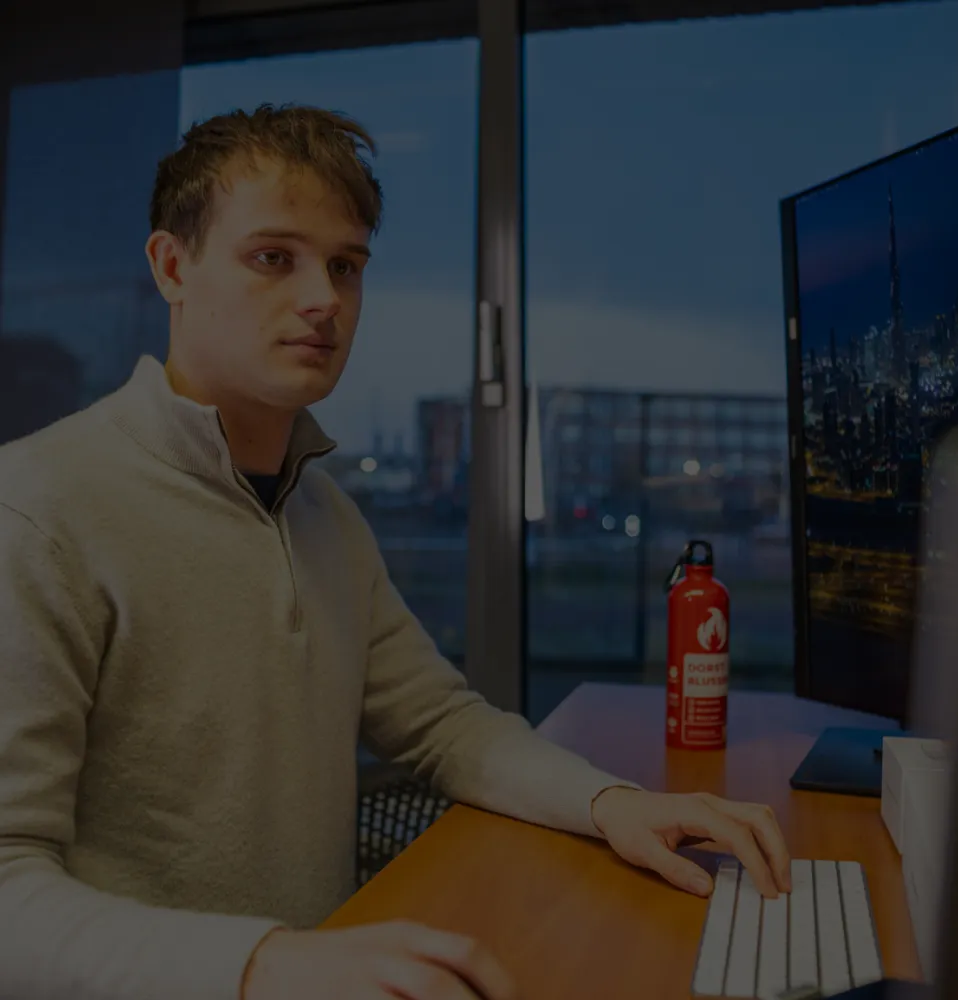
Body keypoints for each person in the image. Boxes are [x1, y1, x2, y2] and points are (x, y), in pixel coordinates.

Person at [0, 102, 792, 1000]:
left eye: (346, 266)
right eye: (274, 258)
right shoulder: (37, 510)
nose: (322, 300)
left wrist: (615, 804)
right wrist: (262, 964)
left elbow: (443, 726)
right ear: (171, 267)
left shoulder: (324, 510)